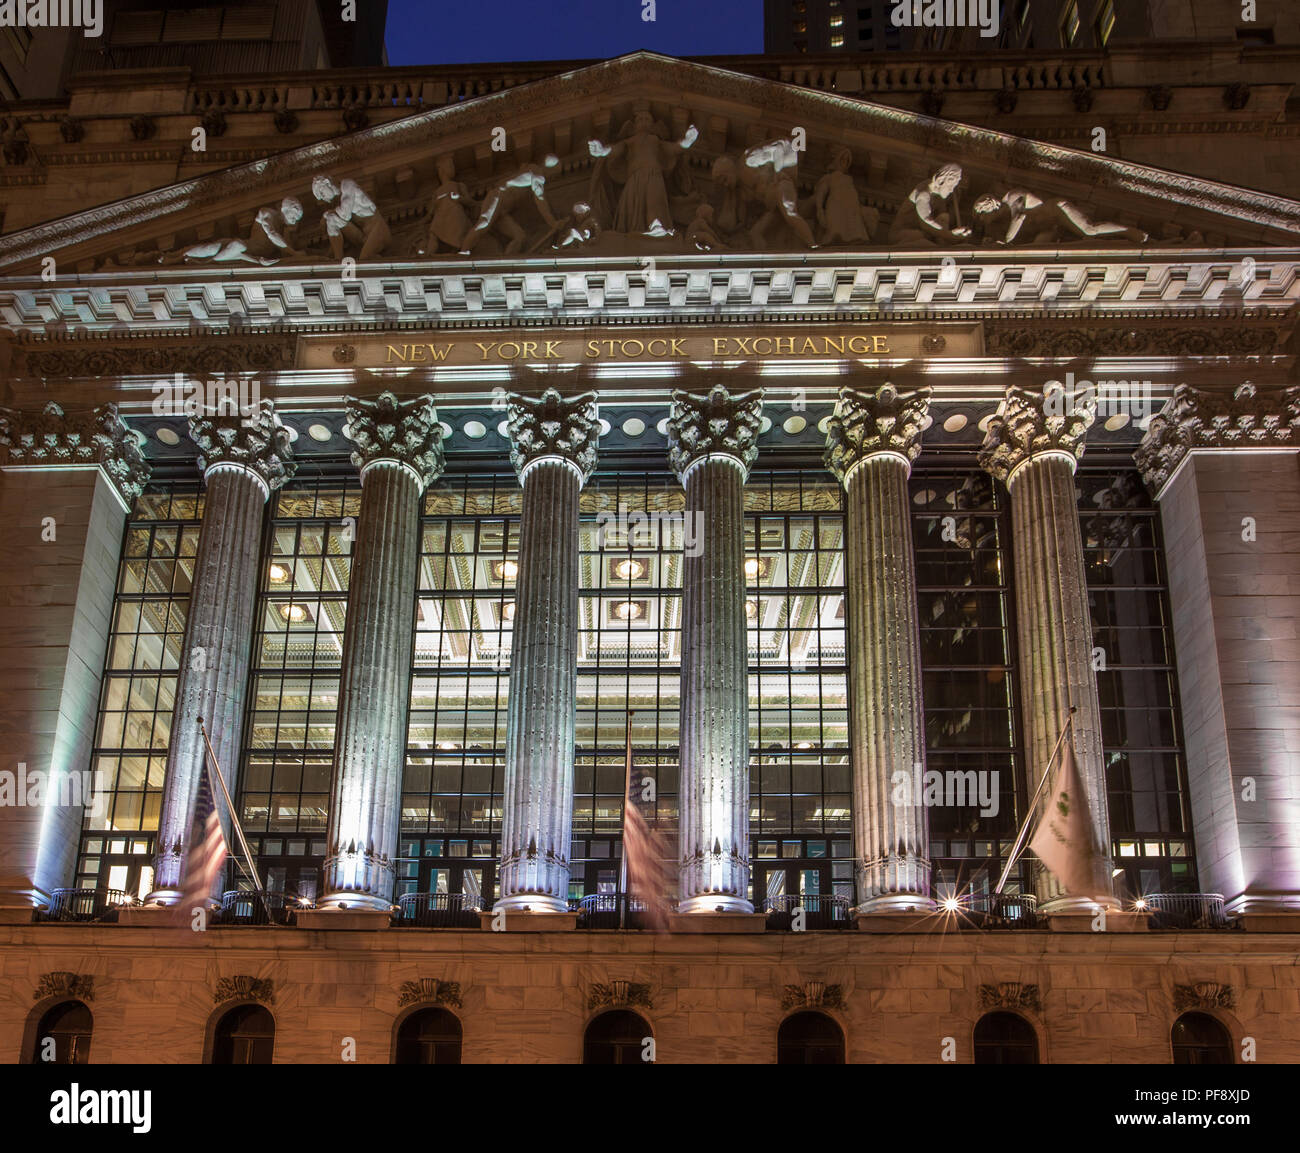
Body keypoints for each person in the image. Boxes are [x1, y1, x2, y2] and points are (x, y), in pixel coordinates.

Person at [589, 110, 698, 235]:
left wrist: (687, 141)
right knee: (633, 205)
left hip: (654, 175)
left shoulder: (655, 140)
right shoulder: (630, 141)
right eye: (640, 119)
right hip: (634, 178)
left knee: (654, 200)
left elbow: (673, 148)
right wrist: (602, 151)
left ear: (652, 125)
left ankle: (656, 225)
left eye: (647, 119)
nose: (644, 122)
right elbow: (616, 150)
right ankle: (632, 230)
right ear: (634, 126)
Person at [972, 189, 1149, 245]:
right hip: (1049, 229)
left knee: (1089, 230)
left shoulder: (1011, 197)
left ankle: (1129, 231)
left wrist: (1003, 243)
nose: (983, 223)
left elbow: (1018, 219)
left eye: (981, 218)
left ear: (987, 208)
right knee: (1035, 256)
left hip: (1058, 212)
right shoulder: (1000, 223)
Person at [462, 156, 563, 255]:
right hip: (498, 197)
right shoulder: (538, 175)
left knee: (520, 237)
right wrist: (553, 222)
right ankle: (463, 251)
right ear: (551, 169)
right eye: (555, 173)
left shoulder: (530, 170)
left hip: (502, 211)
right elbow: (541, 201)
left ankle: (506, 265)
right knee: (484, 222)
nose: (553, 178)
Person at [181, 197, 306, 264]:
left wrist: (290, 233)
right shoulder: (267, 213)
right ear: (286, 209)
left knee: (214, 250)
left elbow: (285, 254)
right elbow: (272, 234)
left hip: (247, 253)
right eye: (294, 216)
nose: (295, 221)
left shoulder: (282, 229)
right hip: (244, 247)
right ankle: (177, 257)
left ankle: (200, 261)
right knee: (210, 249)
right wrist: (294, 253)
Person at [744, 138, 816, 249]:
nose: (757, 165)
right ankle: (762, 256)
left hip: (782, 187)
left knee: (790, 214)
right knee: (756, 231)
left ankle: (812, 244)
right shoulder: (772, 161)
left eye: (755, 162)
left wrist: (777, 176)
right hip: (775, 198)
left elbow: (779, 154)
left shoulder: (777, 149)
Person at [312, 175, 391, 262]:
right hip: (362, 237)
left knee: (365, 260)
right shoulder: (340, 200)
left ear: (327, 183)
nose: (324, 199)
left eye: (322, 193)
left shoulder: (347, 184)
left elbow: (345, 215)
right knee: (331, 219)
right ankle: (338, 259)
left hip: (378, 231)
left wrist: (327, 214)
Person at [889, 164, 970, 246]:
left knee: (944, 217)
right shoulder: (924, 193)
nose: (951, 190)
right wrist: (950, 235)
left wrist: (953, 234)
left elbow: (942, 221)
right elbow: (926, 224)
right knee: (923, 241)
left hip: (922, 234)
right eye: (951, 186)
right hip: (901, 235)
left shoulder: (938, 197)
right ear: (940, 181)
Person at [814, 146, 876, 245]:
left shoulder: (849, 179)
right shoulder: (829, 177)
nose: (844, 162)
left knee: (853, 232)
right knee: (834, 231)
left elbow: (853, 195)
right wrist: (819, 209)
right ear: (837, 160)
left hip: (851, 209)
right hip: (836, 205)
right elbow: (820, 193)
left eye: (847, 160)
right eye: (843, 159)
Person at [424, 155, 476, 255]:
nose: (452, 169)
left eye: (452, 166)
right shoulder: (437, 191)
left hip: (455, 214)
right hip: (440, 216)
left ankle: (458, 252)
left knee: (457, 235)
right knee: (433, 233)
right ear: (442, 170)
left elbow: (470, 201)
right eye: (450, 166)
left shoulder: (458, 185)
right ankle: (429, 254)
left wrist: (459, 198)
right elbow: (431, 211)